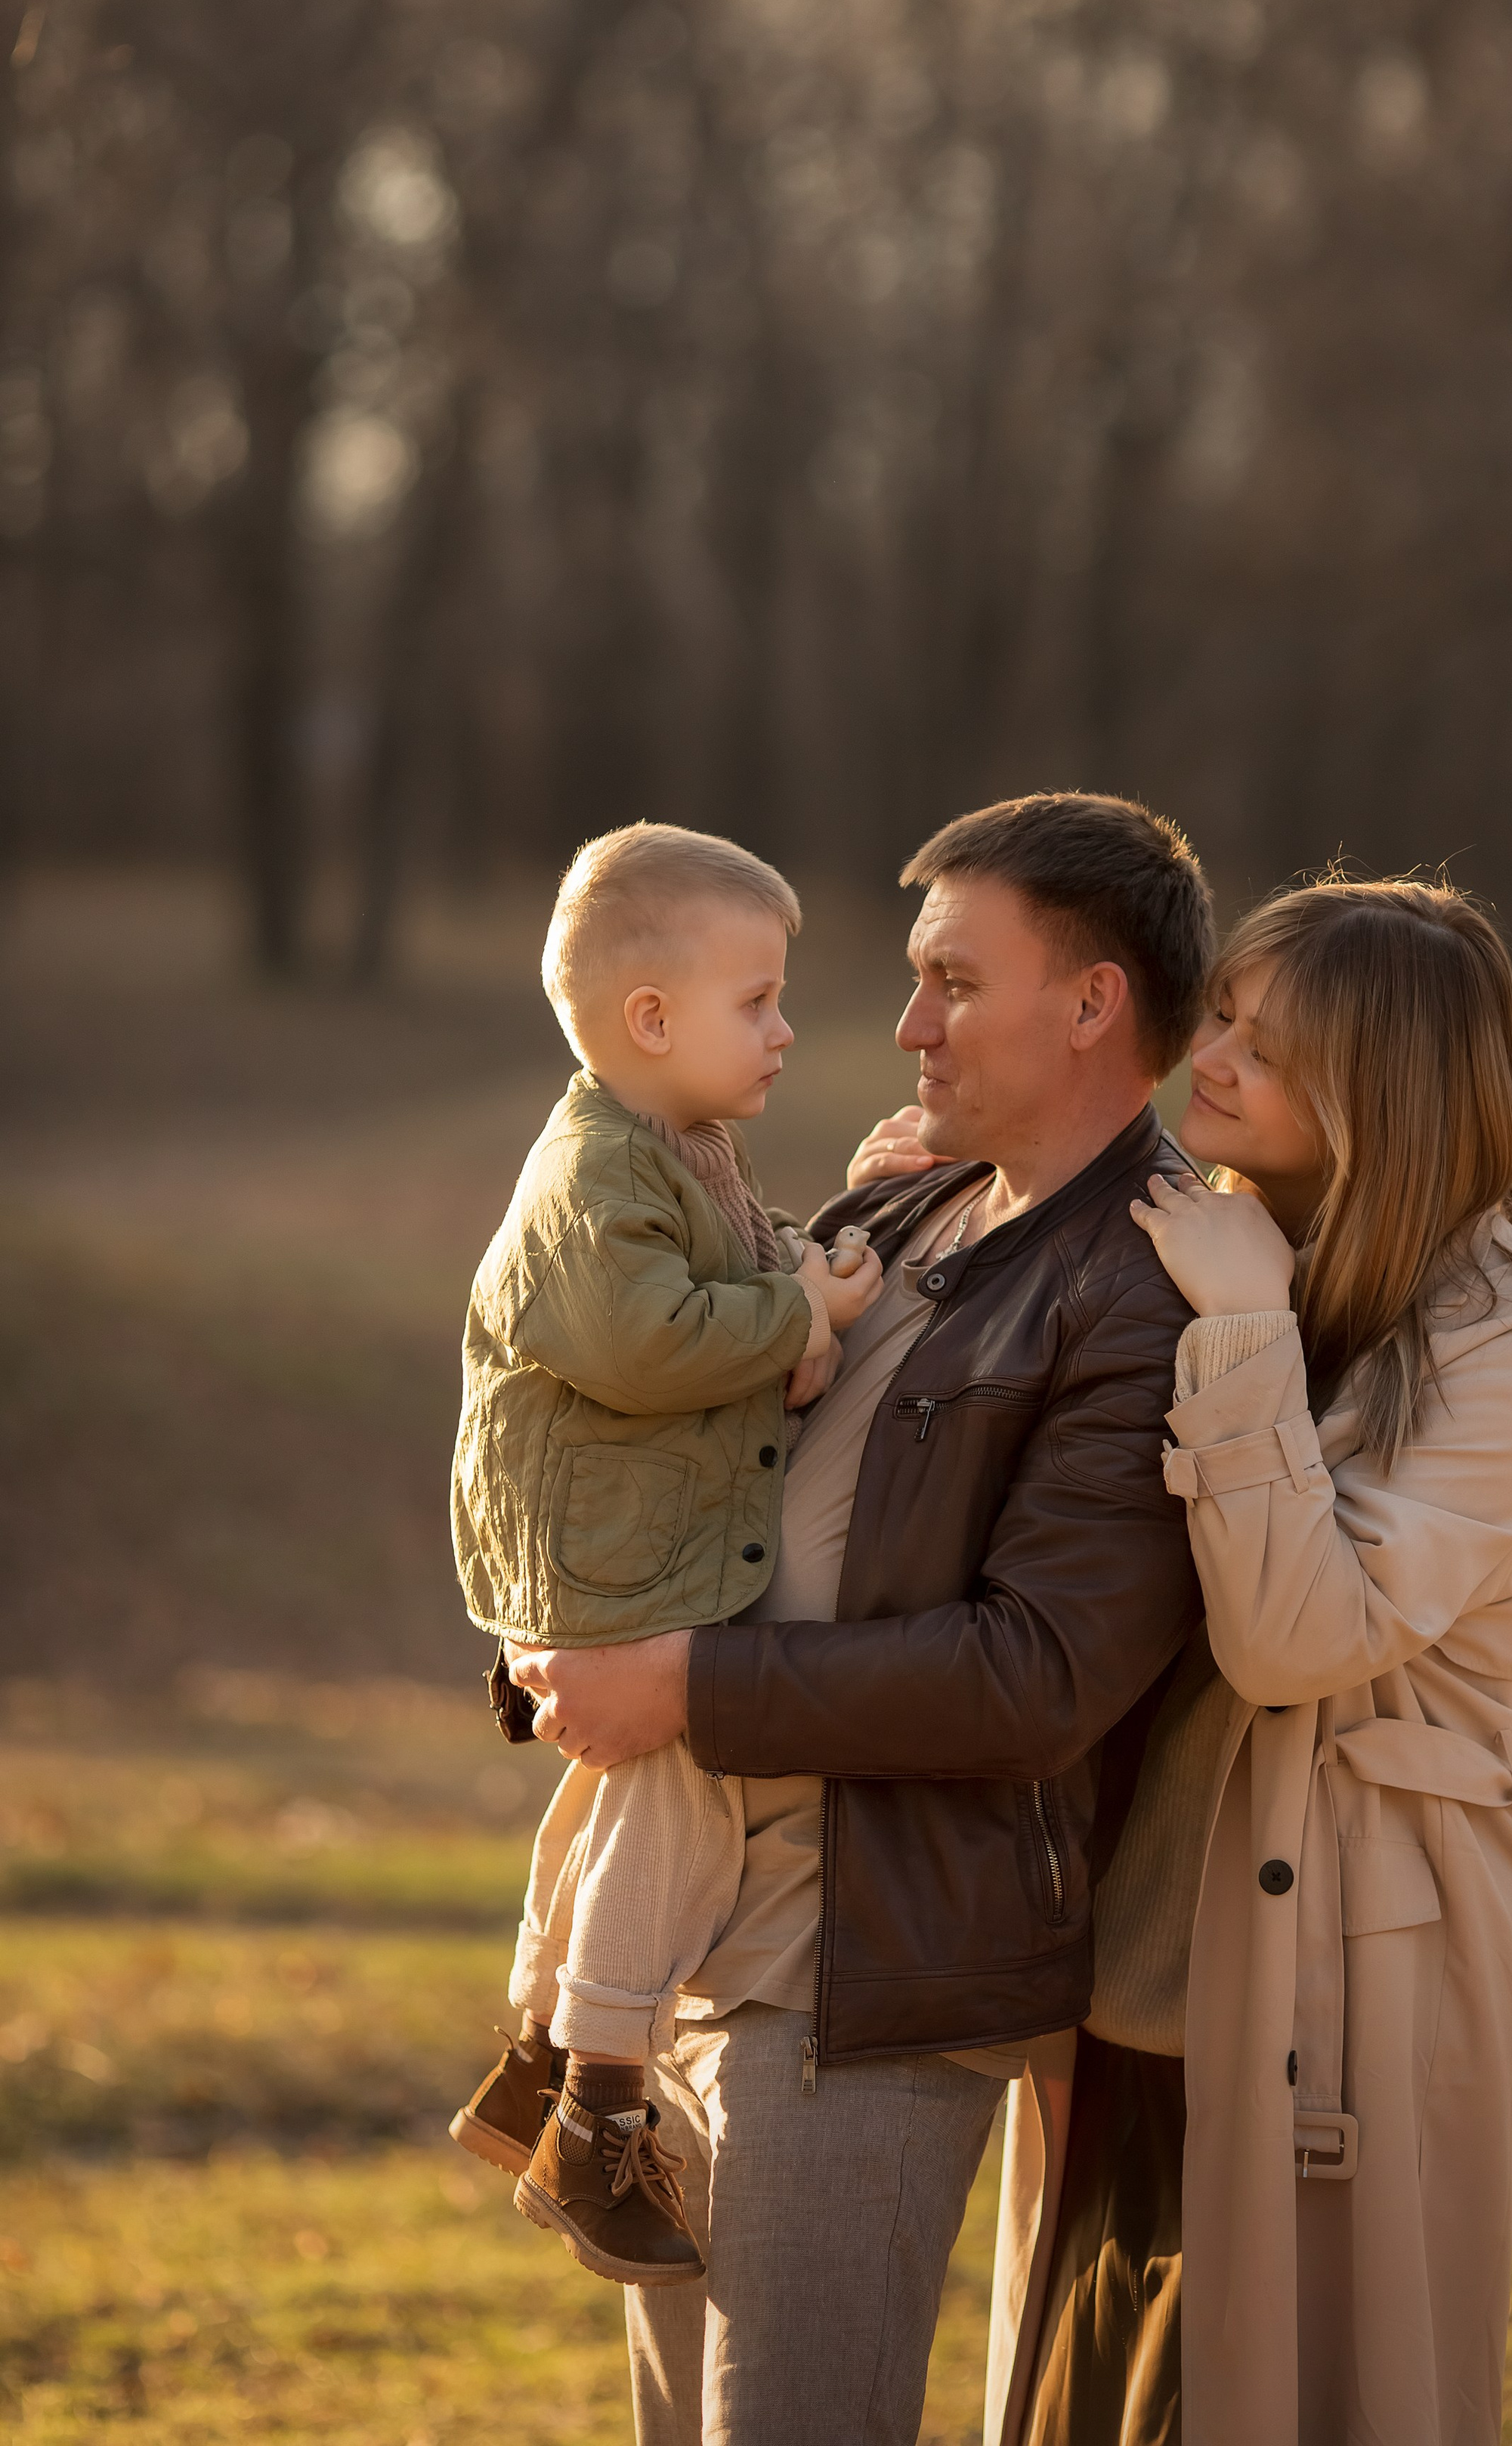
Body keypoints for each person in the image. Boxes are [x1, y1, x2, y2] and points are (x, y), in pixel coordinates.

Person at [506, 791, 1216, 2446]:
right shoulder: (901, 1212)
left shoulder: (1148, 1286)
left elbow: (1035, 1677)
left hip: (867, 1976)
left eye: (953, 983)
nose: (903, 1025)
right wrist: (566, 1643)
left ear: (1092, 1004)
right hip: (691, 1940)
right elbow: (689, 1454)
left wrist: (683, 1684)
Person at [987, 875, 1512, 2446]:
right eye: (1229, 1009)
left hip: (1358, 1943)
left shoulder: (1499, 1341)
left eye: (1270, 1035)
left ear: (1376, 1086)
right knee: (1097, 2389)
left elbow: (1296, 1640)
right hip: (1141, 1941)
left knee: (1304, 2388)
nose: (1218, 1051)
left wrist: (1246, 1336)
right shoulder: (1238, 1234)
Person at [448, 821, 885, 2285]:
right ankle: (603, 2107)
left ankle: (540, 2053)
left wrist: (802, 1299)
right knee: (685, 1782)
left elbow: (740, 1306)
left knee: (620, 1790)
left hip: (634, 1538)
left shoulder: (684, 1151)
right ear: (650, 1020)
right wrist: (801, 1320)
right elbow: (646, 1342)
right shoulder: (592, 1174)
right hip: (603, 1552)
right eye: (756, 1000)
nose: (783, 1030)